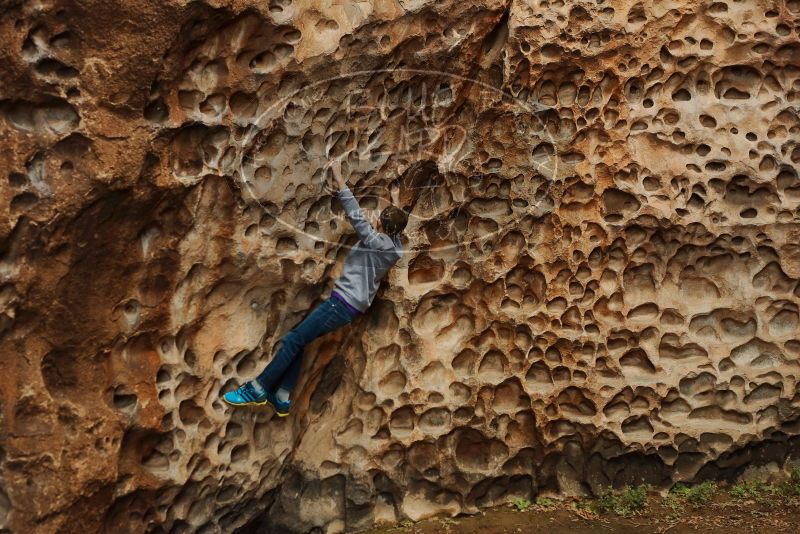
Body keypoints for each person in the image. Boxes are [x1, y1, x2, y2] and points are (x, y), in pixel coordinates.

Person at [222, 158, 408, 415]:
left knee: (292, 340)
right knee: (300, 339)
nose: (373, 220)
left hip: (340, 304)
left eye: (378, 220)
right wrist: (395, 199)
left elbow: (355, 213)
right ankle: (283, 397)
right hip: (349, 309)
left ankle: (258, 388)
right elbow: (395, 226)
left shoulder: (372, 240)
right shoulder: (396, 247)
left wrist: (338, 176)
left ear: (381, 227)